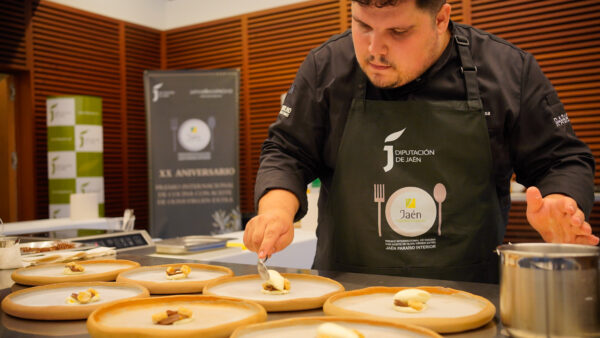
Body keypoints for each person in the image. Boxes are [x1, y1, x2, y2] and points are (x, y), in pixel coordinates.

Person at [243, 0, 598, 283]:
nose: (374, 49)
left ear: (441, 18)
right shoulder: (327, 68)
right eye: (362, 25)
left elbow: (561, 160)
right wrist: (276, 211)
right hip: (346, 294)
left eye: (398, 31)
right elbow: (287, 151)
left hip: (471, 295)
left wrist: (560, 200)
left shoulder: (507, 71)